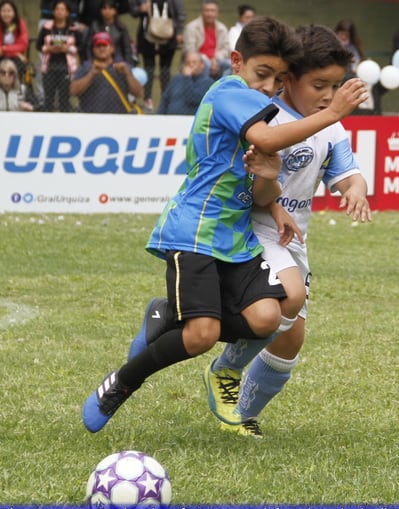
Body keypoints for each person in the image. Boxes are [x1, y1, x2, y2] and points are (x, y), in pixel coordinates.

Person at [81, 16, 369, 434]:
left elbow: (260, 182)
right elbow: (268, 142)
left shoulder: (263, 106)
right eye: (263, 74)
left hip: (236, 235)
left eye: (276, 77)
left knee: (271, 320)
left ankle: (174, 326)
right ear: (237, 62)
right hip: (197, 229)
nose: (268, 86)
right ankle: (124, 381)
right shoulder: (233, 93)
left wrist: (276, 197)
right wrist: (335, 111)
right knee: (201, 334)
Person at [203, 24, 373, 438]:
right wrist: (274, 201)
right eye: (319, 85)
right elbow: (254, 187)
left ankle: (240, 414)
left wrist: (358, 192)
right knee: (286, 300)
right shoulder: (267, 119)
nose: (329, 96)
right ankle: (226, 370)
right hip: (253, 229)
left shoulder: (331, 129)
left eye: (334, 86)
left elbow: (348, 175)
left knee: (289, 340)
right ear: (289, 79)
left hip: (292, 241)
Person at [70, 31, 144, 113]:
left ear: (112, 48)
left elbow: (139, 93)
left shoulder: (123, 68)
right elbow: (73, 91)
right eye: (98, 46)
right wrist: (91, 75)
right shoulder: (85, 67)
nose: (102, 49)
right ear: (93, 49)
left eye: (105, 45)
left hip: (118, 118)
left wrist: (127, 74)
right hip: (92, 118)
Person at [130, 0, 185, 109]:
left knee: (165, 70)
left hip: (169, 37)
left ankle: (166, 100)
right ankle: (147, 100)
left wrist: (179, 32)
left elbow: (180, 13)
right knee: (148, 69)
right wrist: (141, 9)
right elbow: (133, 10)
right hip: (147, 37)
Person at [38, 0, 83, 112]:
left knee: (64, 100)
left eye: (62, 9)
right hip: (49, 67)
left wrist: (67, 49)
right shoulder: (46, 28)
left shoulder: (73, 29)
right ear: (53, 11)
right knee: (49, 99)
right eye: (57, 9)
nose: (59, 12)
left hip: (66, 68)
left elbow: (80, 47)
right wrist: (48, 49)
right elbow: (39, 46)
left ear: (67, 12)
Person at [183, 0, 229, 79]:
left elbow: (226, 49)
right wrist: (208, 60)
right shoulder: (191, 27)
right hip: (199, 60)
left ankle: (223, 87)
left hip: (217, 59)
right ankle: (206, 89)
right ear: (202, 12)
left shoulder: (222, 28)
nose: (210, 14)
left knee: (231, 64)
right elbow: (190, 50)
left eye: (212, 11)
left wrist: (216, 58)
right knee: (206, 64)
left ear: (217, 13)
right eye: (207, 11)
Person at [157, 50, 212, 115]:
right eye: (188, 63)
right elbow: (165, 100)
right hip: (170, 119)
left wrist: (187, 78)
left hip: (190, 120)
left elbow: (194, 99)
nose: (191, 65)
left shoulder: (207, 82)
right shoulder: (176, 79)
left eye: (194, 62)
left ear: (202, 65)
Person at [85, 0, 135, 66]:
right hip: (97, 63)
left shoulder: (121, 28)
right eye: (104, 8)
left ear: (115, 11)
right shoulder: (94, 27)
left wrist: (127, 65)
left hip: (118, 62)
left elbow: (127, 49)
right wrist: (91, 63)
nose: (107, 11)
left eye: (110, 8)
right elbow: (88, 47)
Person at [0, 0, 29, 75]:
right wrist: (17, 53)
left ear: (14, 12)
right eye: (3, 11)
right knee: (6, 68)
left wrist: (4, 48)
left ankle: (17, 86)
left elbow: (23, 45)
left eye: (9, 11)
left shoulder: (20, 22)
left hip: (15, 57)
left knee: (21, 66)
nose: (6, 14)